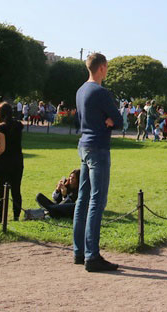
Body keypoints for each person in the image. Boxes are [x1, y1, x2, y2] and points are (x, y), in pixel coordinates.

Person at [71, 52, 123, 272]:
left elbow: (78, 119)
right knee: (96, 201)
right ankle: (92, 255)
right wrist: (110, 121)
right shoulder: (101, 92)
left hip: (84, 145)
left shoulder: (81, 90)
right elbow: (119, 121)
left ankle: (79, 251)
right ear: (101, 68)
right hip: (99, 146)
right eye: (107, 67)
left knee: (82, 200)